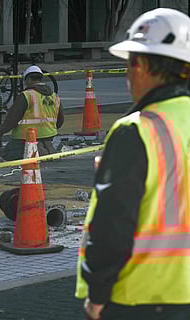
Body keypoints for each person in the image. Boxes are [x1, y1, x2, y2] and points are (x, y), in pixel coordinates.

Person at [75, 8, 190, 320]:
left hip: (140, 296)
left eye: (128, 64)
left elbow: (113, 223)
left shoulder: (138, 129)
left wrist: (97, 293)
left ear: (140, 65)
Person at [0, 65, 64, 160]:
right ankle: (44, 150)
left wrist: (0, 132)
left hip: (24, 138)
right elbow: (60, 121)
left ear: (28, 79)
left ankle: (37, 152)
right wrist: (48, 130)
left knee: (6, 154)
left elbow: (11, 120)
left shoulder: (26, 95)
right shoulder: (55, 96)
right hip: (48, 136)